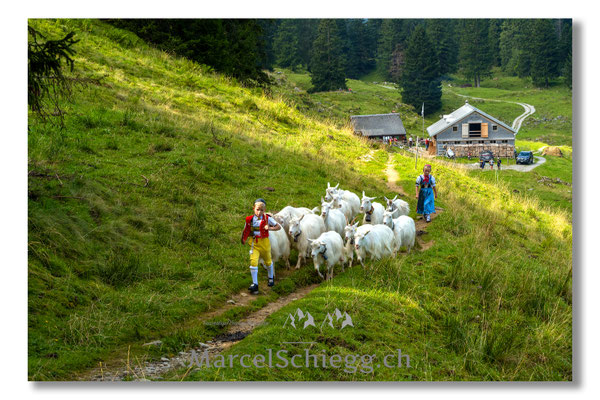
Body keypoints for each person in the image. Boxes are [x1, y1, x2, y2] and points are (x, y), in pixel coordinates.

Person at [241, 199, 281, 294]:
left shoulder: (267, 219)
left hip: (264, 242)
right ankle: (255, 284)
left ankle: (270, 278)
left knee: (268, 260)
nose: (259, 212)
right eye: (257, 209)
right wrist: (243, 238)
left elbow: (278, 226)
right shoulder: (249, 219)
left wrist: (270, 228)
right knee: (253, 261)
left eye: (261, 210)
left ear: (264, 210)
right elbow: (246, 229)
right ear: (254, 209)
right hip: (254, 243)